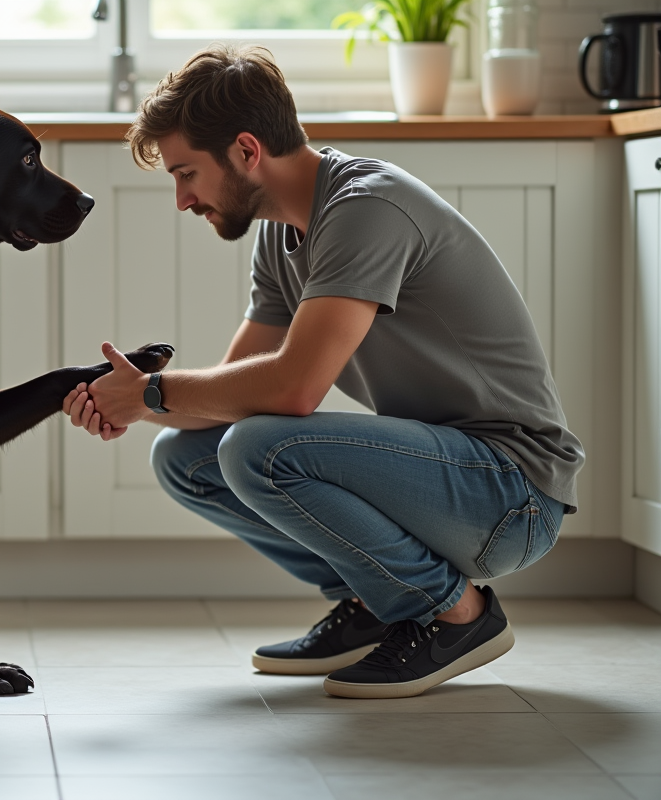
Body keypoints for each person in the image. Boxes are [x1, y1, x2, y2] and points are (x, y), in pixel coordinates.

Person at [62, 43, 583, 699]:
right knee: (184, 457)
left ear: (247, 152)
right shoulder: (280, 235)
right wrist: (132, 405)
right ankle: (378, 604)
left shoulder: (367, 207)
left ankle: (457, 615)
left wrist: (154, 391)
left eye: (186, 173)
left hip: (512, 493)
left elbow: (292, 390)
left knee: (257, 449)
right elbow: (239, 389)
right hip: (453, 478)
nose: (181, 199)